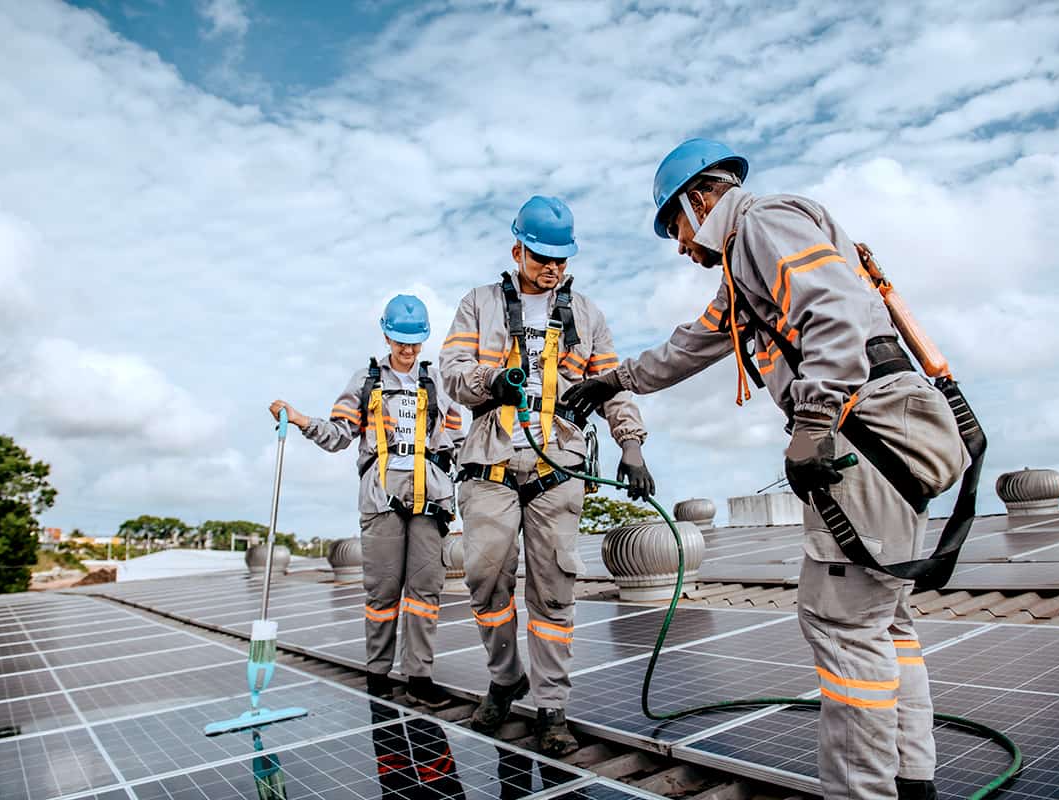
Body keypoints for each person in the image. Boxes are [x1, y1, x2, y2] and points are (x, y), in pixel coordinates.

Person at [562, 139, 968, 800]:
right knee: (884, 620)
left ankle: (865, 792)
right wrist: (615, 380)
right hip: (882, 433)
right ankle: (911, 779)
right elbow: (690, 345)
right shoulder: (744, 267)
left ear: (701, 198)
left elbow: (832, 307)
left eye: (675, 227)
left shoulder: (761, 224)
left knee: (844, 626)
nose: (679, 247)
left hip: (863, 432)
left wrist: (814, 420)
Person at [439, 195, 654, 757]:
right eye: (540, 257)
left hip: (558, 467)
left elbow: (612, 383)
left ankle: (552, 705)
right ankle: (506, 678)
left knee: (555, 589)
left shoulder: (586, 314)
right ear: (517, 251)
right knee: (486, 578)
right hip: (488, 464)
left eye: (560, 258)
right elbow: (452, 373)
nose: (552, 268)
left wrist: (631, 444)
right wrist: (493, 382)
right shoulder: (478, 304)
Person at [270, 294, 465, 709]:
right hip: (381, 496)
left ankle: (420, 677)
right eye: (400, 342)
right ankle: (378, 673)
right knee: (383, 591)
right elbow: (340, 434)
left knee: (425, 591)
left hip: (430, 495)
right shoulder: (366, 380)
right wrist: (302, 419)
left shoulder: (439, 384)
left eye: (414, 343)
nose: (408, 350)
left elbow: (458, 443)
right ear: (385, 335)